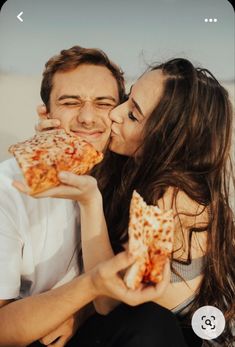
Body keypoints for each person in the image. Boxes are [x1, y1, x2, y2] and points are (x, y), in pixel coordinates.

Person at [32, 58, 235, 347]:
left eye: (133, 115)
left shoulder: (172, 202)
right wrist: (60, 140)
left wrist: (89, 201)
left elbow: (107, 300)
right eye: (127, 98)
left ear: (166, 139)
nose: (115, 113)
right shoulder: (142, 167)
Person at [0, 46, 187, 347]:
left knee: (154, 322)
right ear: (45, 113)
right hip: (34, 335)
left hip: (97, 323)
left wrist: (81, 310)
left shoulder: (132, 172)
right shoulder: (8, 189)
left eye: (103, 103)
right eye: (70, 102)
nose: (87, 118)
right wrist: (85, 293)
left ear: (118, 112)